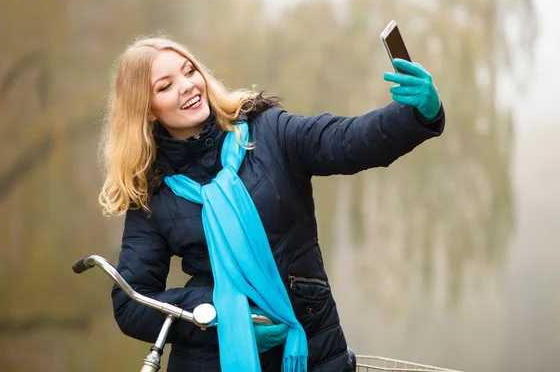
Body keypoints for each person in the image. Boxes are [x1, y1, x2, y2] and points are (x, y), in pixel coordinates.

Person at [98, 34, 445, 372]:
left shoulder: (269, 132)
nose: (187, 85)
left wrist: (415, 115)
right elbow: (133, 304)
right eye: (165, 86)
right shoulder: (153, 193)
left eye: (189, 71)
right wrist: (223, 318)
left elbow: (347, 140)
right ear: (147, 111)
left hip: (313, 354)